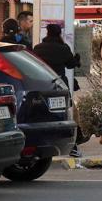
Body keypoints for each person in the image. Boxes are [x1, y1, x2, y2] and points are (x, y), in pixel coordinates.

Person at [33, 24, 86, 157]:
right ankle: (74, 143)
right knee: (67, 113)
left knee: (43, 115)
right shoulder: (63, 48)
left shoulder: (38, 48)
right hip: (59, 86)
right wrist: (77, 59)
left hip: (42, 86)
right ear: (59, 33)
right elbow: (71, 64)